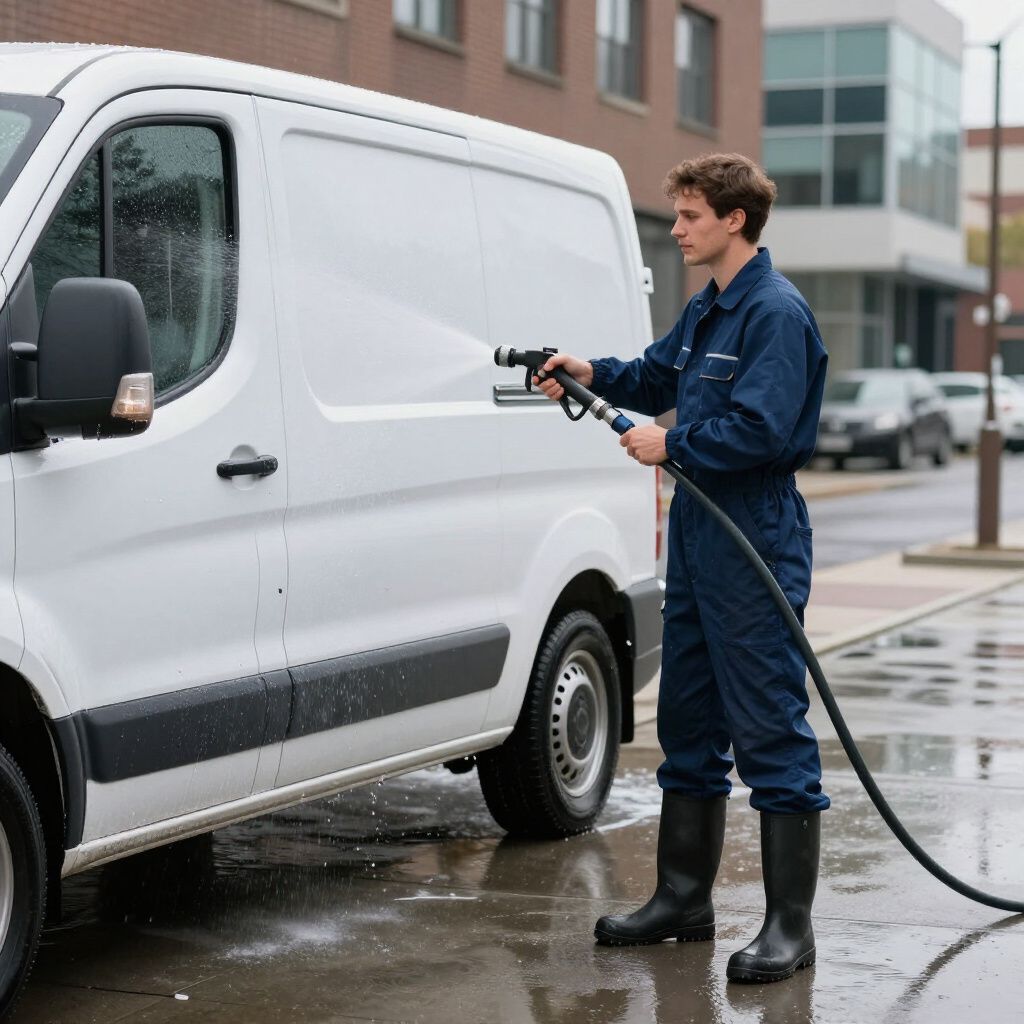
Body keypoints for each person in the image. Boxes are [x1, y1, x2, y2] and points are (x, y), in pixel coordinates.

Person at [534, 152, 830, 984]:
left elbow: (763, 432)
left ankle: (789, 928)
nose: (679, 229)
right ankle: (681, 900)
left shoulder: (775, 313)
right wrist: (592, 371)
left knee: (768, 725)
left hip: (754, 531)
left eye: (691, 216)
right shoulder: (710, 308)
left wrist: (673, 443)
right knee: (690, 722)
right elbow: (658, 373)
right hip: (700, 529)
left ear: (734, 220)